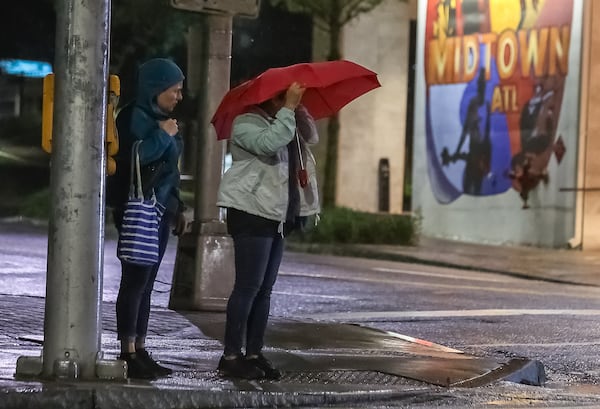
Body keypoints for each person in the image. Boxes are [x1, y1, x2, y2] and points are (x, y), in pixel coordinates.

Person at [216, 82, 313, 380]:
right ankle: (230, 356)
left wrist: (300, 113)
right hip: (250, 212)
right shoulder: (245, 122)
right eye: (286, 96)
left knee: (265, 290)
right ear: (274, 96)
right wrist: (287, 111)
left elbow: (310, 138)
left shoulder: (282, 120)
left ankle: (254, 353)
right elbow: (268, 144)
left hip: (276, 215)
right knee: (248, 287)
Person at [106, 58, 187, 380]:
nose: (179, 97)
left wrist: (179, 207)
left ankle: (140, 348)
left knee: (148, 284)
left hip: (161, 209)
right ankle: (127, 351)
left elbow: (170, 171)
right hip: (137, 208)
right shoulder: (133, 117)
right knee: (135, 282)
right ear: (156, 88)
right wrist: (164, 136)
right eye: (175, 90)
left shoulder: (161, 119)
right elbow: (135, 159)